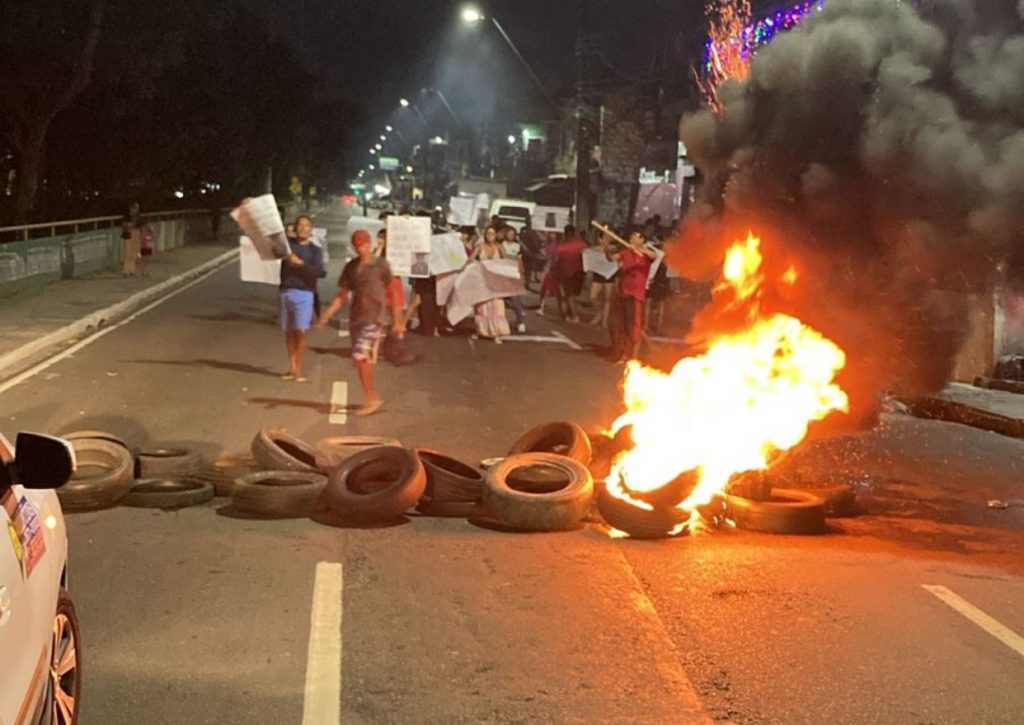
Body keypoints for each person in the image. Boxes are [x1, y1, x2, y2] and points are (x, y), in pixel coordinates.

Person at [317, 229, 404, 416]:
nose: (361, 249)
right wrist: (326, 315)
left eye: (364, 245)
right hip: (356, 318)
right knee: (362, 359)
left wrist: (398, 321)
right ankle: (370, 395)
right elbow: (342, 296)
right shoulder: (351, 268)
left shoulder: (381, 266)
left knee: (359, 356)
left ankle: (372, 397)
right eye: (358, 245)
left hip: (374, 318)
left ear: (370, 244)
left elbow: (394, 292)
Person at [279, 215, 326, 382]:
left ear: (311, 229)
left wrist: (301, 264)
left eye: (307, 225)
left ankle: (299, 369)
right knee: (290, 332)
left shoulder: (315, 250)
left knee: (301, 331)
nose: (303, 228)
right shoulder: (287, 248)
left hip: (305, 293)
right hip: (286, 292)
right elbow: (266, 240)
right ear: (296, 228)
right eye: (300, 225)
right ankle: (292, 367)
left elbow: (320, 272)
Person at [607, 229, 658, 362]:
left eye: (635, 237)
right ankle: (624, 354)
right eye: (631, 236)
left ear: (642, 240)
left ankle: (633, 356)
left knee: (634, 327)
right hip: (623, 293)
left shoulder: (645, 255)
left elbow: (654, 256)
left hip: (636, 295)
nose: (632, 238)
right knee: (623, 325)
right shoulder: (626, 252)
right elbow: (612, 258)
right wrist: (606, 247)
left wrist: (638, 249)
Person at [469, 225, 511, 343]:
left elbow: (506, 261)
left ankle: (496, 333)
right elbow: (470, 259)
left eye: (492, 234)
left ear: (496, 235)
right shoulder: (480, 247)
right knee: (482, 307)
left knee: (497, 306)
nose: (490, 236)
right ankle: (480, 330)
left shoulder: (500, 247)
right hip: (482, 280)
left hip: (496, 281)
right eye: (488, 234)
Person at [554, 224, 587, 322]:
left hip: (566, 273)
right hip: (579, 273)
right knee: (573, 294)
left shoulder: (562, 246)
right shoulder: (582, 244)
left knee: (569, 294)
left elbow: (556, 260)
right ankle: (570, 313)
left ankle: (574, 315)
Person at [501, 226, 527, 333]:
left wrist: (521, 274)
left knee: (516, 299)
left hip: (514, 274)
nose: (510, 236)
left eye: (513, 234)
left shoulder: (518, 246)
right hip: (503, 274)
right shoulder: (501, 245)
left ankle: (520, 321)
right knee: (503, 299)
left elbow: (519, 261)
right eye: (509, 234)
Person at [589, 231, 617, 326]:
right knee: (593, 296)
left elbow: (611, 253)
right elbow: (591, 252)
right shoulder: (596, 248)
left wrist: (605, 248)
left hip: (609, 274)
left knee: (607, 298)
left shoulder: (613, 248)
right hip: (598, 274)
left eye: (609, 237)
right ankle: (599, 312)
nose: (608, 239)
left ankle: (605, 320)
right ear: (600, 239)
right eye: (605, 237)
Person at [536, 230, 564, 317]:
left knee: (556, 289)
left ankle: (560, 309)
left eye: (554, 233)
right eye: (551, 233)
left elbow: (558, 257)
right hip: (548, 267)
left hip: (555, 268)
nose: (552, 235)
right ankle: (542, 307)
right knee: (544, 288)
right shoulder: (547, 243)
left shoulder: (558, 245)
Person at [121, 201, 142, 277]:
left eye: (137, 208)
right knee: (127, 252)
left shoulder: (138, 216)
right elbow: (124, 225)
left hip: (136, 233)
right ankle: (126, 270)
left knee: (134, 252)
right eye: (135, 208)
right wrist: (128, 226)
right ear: (131, 208)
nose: (136, 209)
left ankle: (132, 270)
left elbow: (141, 225)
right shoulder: (127, 216)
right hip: (129, 234)